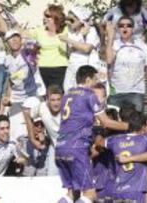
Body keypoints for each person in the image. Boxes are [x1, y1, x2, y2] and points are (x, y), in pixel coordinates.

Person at [55, 65, 128, 203]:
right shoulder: (90, 95)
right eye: (95, 79)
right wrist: (129, 126)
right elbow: (106, 122)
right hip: (76, 147)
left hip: (60, 147)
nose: (96, 83)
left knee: (72, 193)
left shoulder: (67, 94)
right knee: (90, 194)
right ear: (88, 79)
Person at [106, 16, 147, 112]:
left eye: (128, 26)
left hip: (136, 92)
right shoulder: (114, 44)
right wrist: (110, 38)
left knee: (135, 123)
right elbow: (109, 60)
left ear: (133, 29)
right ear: (118, 29)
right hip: (116, 92)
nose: (125, 28)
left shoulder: (142, 46)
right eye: (121, 26)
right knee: (114, 123)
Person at [22, 85, 63, 176]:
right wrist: (32, 139)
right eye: (52, 100)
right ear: (47, 100)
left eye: (58, 99)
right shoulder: (42, 107)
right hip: (54, 146)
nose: (56, 103)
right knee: (51, 178)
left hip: (72, 147)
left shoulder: (70, 109)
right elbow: (27, 114)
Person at [61, 6, 101, 92]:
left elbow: (86, 48)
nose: (68, 22)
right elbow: (71, 50)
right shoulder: (71, 32)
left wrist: (67, 39)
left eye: (72, 20)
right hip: (73, 68)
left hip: (87, 70)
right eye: (67, 19)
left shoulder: (91, 31)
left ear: (81, 20)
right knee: (69, 91)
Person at [28, 4, 68, 89]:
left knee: (60, 93)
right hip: (44, 67)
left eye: (48, 16)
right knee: (48, 94)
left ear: (56, 17)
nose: (44, 18)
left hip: (61, 67)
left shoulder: (65, 30)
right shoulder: (39, 31)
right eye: (44, 15)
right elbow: (24, 34)